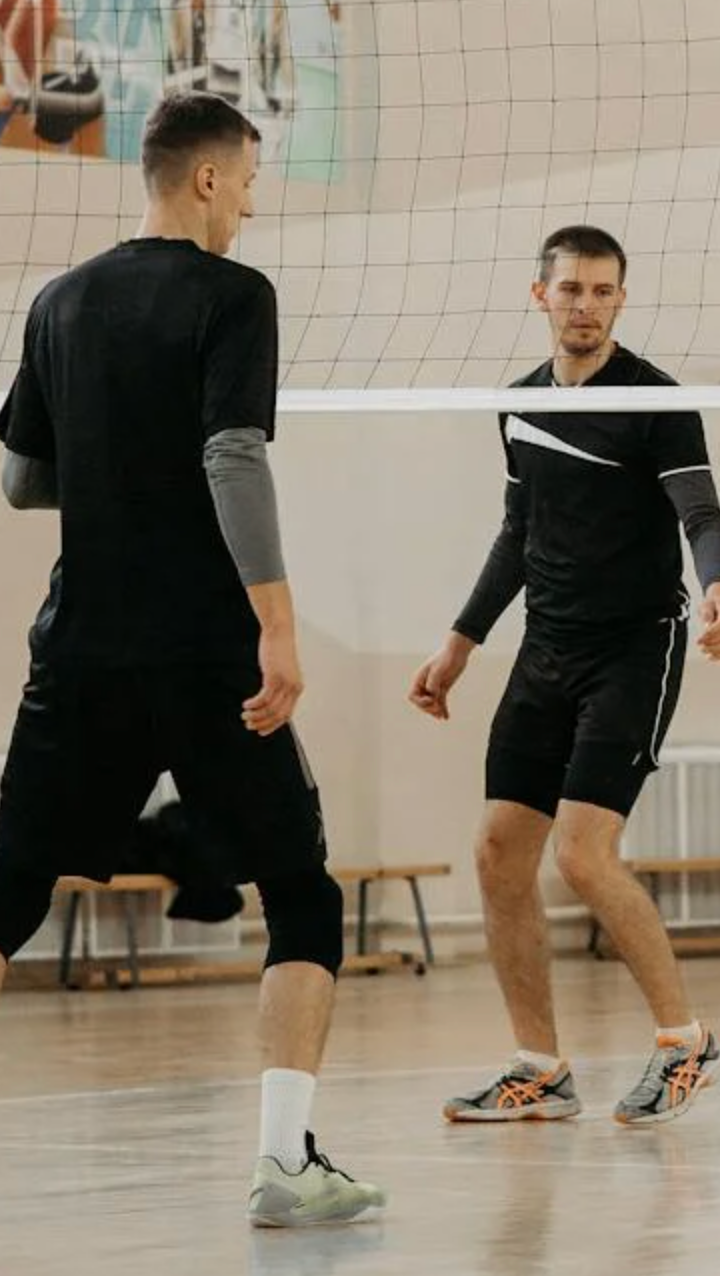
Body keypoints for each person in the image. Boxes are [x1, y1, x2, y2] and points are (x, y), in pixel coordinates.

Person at [0, 90, 383, 1227]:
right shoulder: (233, 295)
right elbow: (231, 454)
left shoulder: (57, 300)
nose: (255, 207)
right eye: (253, 182)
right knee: (302, 897)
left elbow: (21, 480)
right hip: (207, 653)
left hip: (79, 647)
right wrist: (278, 624)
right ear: (207, 179)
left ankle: (289, 1161)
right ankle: (283, 1165)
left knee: (12, 891)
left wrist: (119, 476)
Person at [410, 224, 720, 1126]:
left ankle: (686, 1043)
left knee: (584, 854)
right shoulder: (519, 403)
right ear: (541, 296)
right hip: (545, 648)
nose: (586, 305)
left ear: (621, 300)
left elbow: (701, 513)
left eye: (603, 291)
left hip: (636, 646)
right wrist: (460, 641)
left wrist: (718, 588)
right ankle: (539, 1068)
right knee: (497, 854)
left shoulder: (658, 400)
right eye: (571, 290)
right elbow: (518, 531)